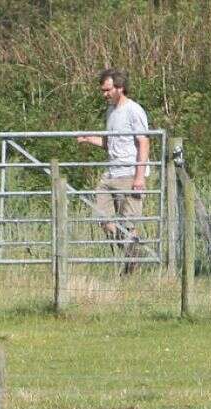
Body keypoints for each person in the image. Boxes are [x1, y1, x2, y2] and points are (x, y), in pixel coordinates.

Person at [77, 68, 150, 273]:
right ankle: (132, 255)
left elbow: (144, 142)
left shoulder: (134, 110)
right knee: (104, 219)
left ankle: (131, 265)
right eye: (103, 90)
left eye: (108, 90)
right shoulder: (110, 112)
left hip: (129, 174)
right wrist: (89, 139)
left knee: (128, 223)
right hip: (111, 173)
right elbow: (110, 144)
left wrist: (139, 177)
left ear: (120, 88)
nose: (105, 94)